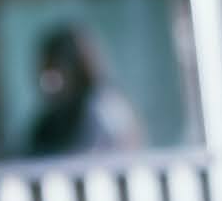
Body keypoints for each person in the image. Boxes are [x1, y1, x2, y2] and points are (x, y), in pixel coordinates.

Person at [25, 23, 142, 157]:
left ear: (75, 69)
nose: (46, 82)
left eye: (53, 72)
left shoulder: (105, 110)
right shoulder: (49, 122)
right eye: (43, 73)